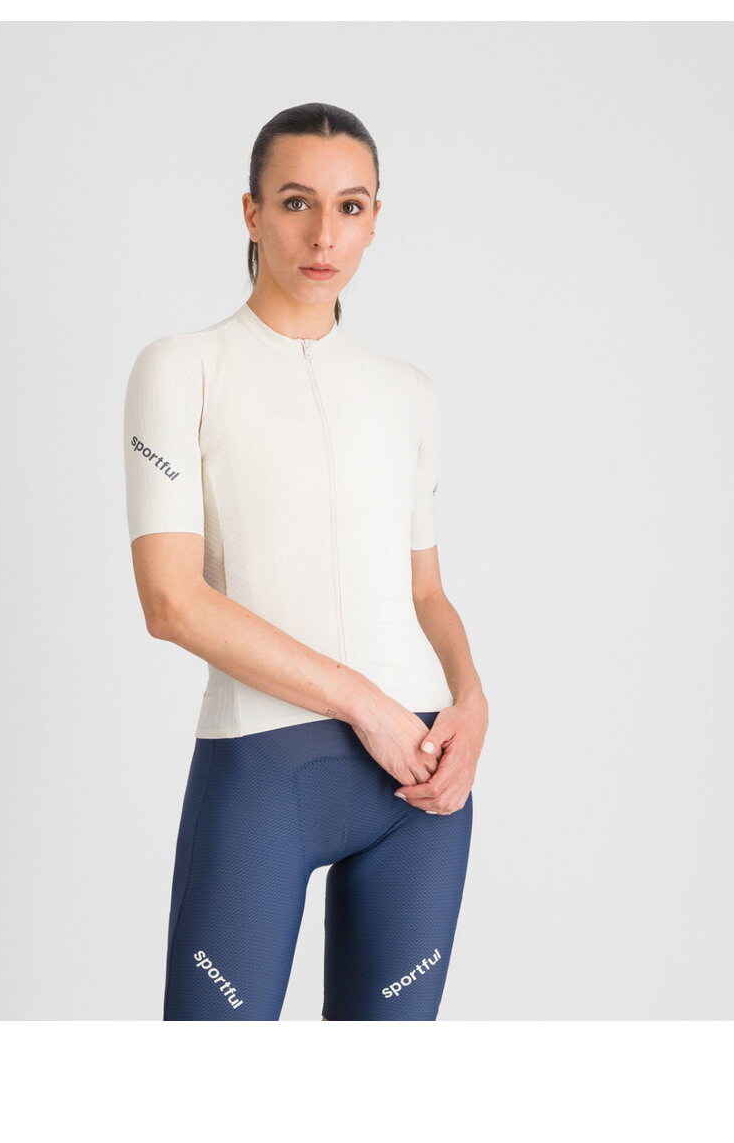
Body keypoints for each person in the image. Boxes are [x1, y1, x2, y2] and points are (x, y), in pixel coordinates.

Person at [122, 102, 488, 1021]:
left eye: (350, 206)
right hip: (268, 772)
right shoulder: (183, 368)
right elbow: (171, 602)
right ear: (251, 212)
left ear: (374, 219)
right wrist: (363, 702)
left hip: (420, 779)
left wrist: (473, 700)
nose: (324, 234)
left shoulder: (409, 393)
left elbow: (426, 592)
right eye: (296, 202)